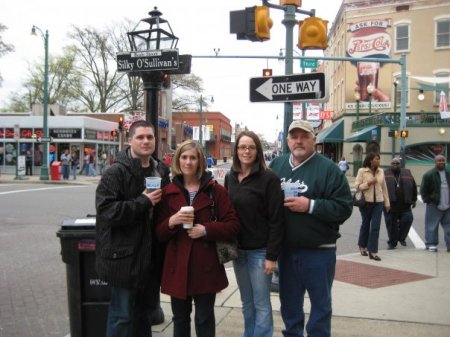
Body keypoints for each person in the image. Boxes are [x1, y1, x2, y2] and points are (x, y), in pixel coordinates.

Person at [269, 120, 353, 337]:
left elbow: (344, 207)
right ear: (287, 141)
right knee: (289, 305)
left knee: (320, 307)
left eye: (304, 136)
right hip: (286, 251)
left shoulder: (329, 169)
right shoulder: (276, 166)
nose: (299, 141)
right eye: (294, 136)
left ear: (314, 140)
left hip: (319, 251)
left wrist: (310, 206)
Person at [156, 140, 239, 337]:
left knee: (204, 318)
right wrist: (172, 221)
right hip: (177, 266)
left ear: (200, 161)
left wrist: (206, 230)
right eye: (184, 157)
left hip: (205, 265)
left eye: (193, 157)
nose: (188, 162)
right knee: (180, 318)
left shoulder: (215, 190)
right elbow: (158, 233)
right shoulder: (168, 192)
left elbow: (233, 224)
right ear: (178, 160)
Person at [95, 120, 170, 337]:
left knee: (143, 315)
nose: (146, 141)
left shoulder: (160, 170)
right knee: (122, 316)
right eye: (140, 137)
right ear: (130, 141)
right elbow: (106, 211)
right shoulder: (115, 173)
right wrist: (142, 202)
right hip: (124, 258)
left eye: (150, 137)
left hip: (149, 258)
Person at [225, 131, 284, 337]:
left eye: (251, 147)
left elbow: (277, 220)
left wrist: (271, 256)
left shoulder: (269, 179)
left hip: (260, 252)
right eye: (242, 147)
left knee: (261, 304)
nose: (246, 151)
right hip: (238, 251)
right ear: (236, 150)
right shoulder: (230, 177)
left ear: (258, 151)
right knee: (246, 303)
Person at [355, 152, 390, 261]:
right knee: (365, 224)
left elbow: (384, 188)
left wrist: (387, 203)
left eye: (379, 159)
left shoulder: (381, 172)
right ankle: (362, 246)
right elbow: (357, 186)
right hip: (366, 202)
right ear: (371, 160)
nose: (378, 161)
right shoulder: (362, 171)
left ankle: (373, 251)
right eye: (376, 159)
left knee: (375, 227)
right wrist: (368, 183)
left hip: (378, 203)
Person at [383, 157, 417, 249]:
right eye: (393, 163)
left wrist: (414, 199)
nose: (395, 165)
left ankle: (401, 238)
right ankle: (392, 243)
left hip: (405, 205)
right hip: (390, 206)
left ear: (400, 164)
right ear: (390, 164)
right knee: (391, 225)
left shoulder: (407, 173)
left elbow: (413, 186)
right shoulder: (384, 173)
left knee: (408, 220)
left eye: (397, 163)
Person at [420, 154, 450, 252]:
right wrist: (428, 200)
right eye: (439, 161)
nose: (441, 162)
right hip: (434, 205)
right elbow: (423, 190)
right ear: (435, 162)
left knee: (449, 227)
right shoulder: (429, 175)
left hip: (448, 205)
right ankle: (431, 244)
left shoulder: (448, 173)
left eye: (442, 160)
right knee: (432, 225)